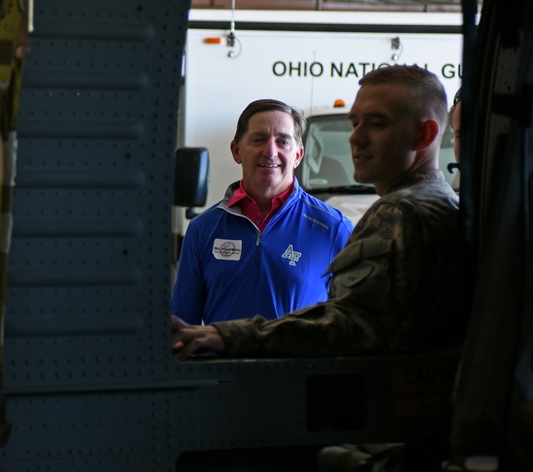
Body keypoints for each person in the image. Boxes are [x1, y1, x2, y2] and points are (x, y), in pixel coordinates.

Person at [172, 65, 465, 360]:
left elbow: (348, 325)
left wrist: (229, 336)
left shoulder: (392, 214)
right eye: (354, 123)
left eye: (376, 123)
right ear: (237, 151)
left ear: (424, 134)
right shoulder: (443, 205)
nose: (356, 138)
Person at [172, 99, 353, 325]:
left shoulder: (335, 229)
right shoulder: (202, 229)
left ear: (298, 155)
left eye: (283, 142)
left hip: (298, 361)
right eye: (259, 139)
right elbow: (182, 324)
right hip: (221, 361)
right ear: (236, 151)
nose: (270, 151)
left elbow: (354, 321)